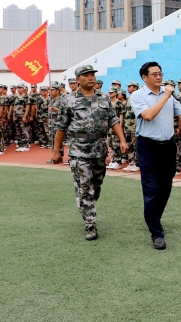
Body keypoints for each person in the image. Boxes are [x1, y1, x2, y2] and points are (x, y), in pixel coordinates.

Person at [51, 65, 128, 241]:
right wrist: (57, 151)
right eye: (86, 75)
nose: (91, 77)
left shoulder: (104, 98)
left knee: (96, 185)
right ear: (78, 79)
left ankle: (87, 204)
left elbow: (113, 120)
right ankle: (90, 224)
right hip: (78, 150)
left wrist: (122, 140)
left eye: (92, 74)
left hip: (100, 148)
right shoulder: (68, 100)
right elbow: (61, 128)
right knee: (85, 187)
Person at [130, 61, 181, 250]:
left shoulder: (170, 96)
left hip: (168, 146)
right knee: (151, 189)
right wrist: (166, 95)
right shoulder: (138, 96)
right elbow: (148, 115)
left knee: (166, 187)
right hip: (147, 146)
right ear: (144, 77)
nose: (159, 77)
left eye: (160, 73)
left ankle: (155, 218)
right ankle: (156, 233)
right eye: (154, 74)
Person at [123, 82, 140, 171]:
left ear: (135, 88)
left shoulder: (138, 98)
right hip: (127, 127)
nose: (128, 88)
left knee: (135, 145)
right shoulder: (129, 99)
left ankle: (137, 163)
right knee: (129, 145)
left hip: (134, 127)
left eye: (130, 86)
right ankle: (131, 162)